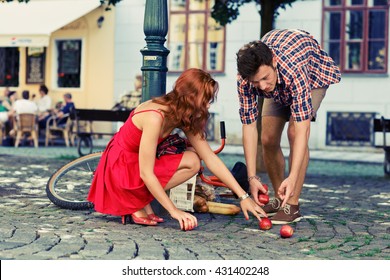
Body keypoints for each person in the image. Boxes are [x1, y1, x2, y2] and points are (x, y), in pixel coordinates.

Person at [88, 68, 266, 230]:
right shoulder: (154, 117)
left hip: (139, 165)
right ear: (190, 98)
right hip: (122, 166)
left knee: (193, 161)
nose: (209, 105)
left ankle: (140, 200)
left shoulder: (184, 116)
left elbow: (210, 158)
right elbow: (146, 173)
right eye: (206, 100)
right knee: (176, 164)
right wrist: (174, 211)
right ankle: (136, 201)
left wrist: (243, 196)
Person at [236, 29, 341, 224]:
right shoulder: (246, 81)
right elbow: (249, 127)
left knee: (294, 131)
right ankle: (279, 198)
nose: (263, 86)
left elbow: (302, 131)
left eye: (265, 78)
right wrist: (251, 177)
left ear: (273, 61)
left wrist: (292, 177)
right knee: (267, 137)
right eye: (256, 82)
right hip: (282, 82)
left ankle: (291, 204)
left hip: (312, 78)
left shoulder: (294, 68)